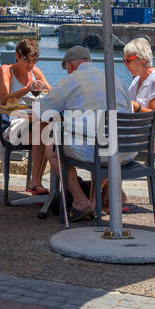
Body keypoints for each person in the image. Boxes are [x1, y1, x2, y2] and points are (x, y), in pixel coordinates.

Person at [38, 45, 132, 220]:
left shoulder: (72, 80)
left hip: (98, 150)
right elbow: (130, 113)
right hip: (125, 151)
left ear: (71, 66)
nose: (67, 72)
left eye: (67, 69)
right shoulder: (114, 79)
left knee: (52, 148)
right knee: (102, 144)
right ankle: (94, 202)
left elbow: (42, 109)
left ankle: (81, 202)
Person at [0, 38, 50, 195]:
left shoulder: (35, 72)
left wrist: (45, 91)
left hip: (33, 122)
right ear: (17, 56)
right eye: (26, 60)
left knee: (49, 133)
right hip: (12, 123)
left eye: (34, 61)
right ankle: (35, 182)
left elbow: (50, 93)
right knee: (45, 132)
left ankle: (36, 182)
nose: (30, 65)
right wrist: (27, 89)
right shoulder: (5, 71)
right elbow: (4, 100)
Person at [123, 37, 155, 157]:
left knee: (106, 143)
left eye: (129, 60)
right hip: (140, 135)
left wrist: (135, 106)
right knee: (102, 139)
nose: (126, 64)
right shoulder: (136, 80)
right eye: (124, 60)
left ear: (143, 59)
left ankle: (109, 174)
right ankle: (110, 174)